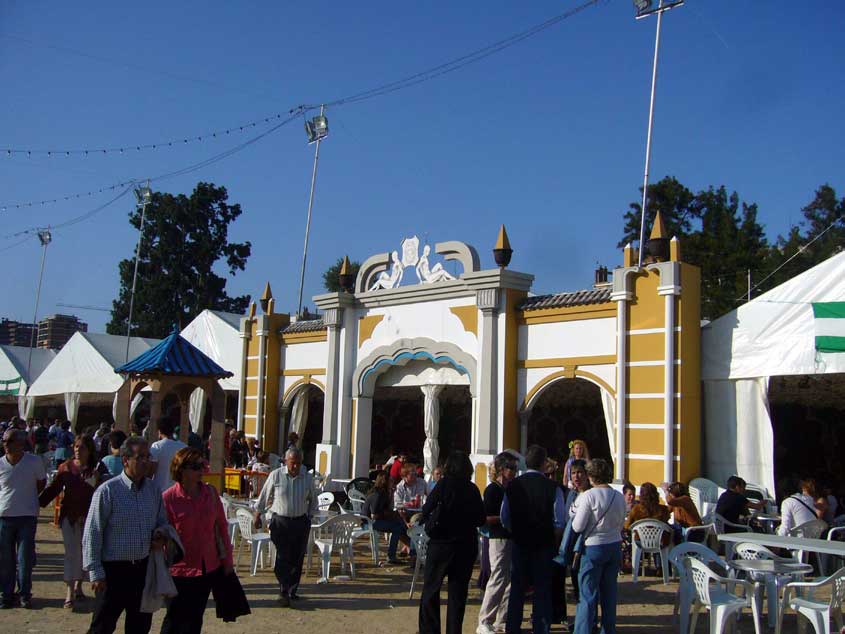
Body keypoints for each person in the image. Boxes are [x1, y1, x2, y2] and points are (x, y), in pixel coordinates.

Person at [82, 436, 169, 634]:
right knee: (102, 626)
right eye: (140, 457)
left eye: (148, 457)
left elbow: (162, 522)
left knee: (139, 626)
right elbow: (93, 533)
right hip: (113, 571)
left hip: (142, 569)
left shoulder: (153, 491)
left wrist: (160, 535)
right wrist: (95, 572)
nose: (146, 461)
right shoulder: (108, 491)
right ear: (125, 460)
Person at [161, 447, 234, 633]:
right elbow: (162, 535)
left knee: (195, 619)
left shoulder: (210, 494)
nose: (201, 470)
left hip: (206, 567)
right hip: (178, 570)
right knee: (174, 620)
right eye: (195, 466)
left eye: (202, 465)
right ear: (181, 469)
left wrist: (227, 563)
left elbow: (222, 528)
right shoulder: (168, 499)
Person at [418, 451, 485, 634]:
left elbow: (427, 508)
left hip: (441, 543)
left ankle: (430, 630)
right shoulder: (472, 489)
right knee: (458, 594)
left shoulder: (443, 484)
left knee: (431, 590)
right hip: (464, 545)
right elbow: (480, 518)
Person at [39, 434, 109, 609]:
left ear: (89, 450)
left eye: (82, 447)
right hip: (69, 516)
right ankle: (69, 591)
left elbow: (104, 491)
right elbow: (54, 488)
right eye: (76, 446)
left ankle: (79, 586)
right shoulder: (66, 468)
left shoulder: (98, 468)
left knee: (86, 552)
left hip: (90, 517)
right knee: (71, 553)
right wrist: (37, 501)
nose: (78, 450)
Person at [503, 444, 566, 634]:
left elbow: (505, 516)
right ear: (543, 463)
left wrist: (515, 531)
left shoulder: (513, 485)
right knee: (542, 591)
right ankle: (541, 628)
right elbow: (559, 522)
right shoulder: (552, 488)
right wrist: (555, 543)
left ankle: (512, 628)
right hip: (543, 544)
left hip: (520, 542)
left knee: (517, 590)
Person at [254, 446, 317, 607]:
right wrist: (257, 515)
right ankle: (283, 589)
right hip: (280, 521)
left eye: (298, 463)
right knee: (283, 555)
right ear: (286, 461)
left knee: (297, 556)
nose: (295, 466)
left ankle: (292, 589)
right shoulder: (276, 475)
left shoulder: (307, 478)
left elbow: (313, 500)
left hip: (300, 521)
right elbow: (264, 496)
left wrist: (308, 517)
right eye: (292, 463)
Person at [571, 458, 626, 634]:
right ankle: (608, 630)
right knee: (609, 594)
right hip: (614, 544)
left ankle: (583, 631)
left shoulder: (588, 496)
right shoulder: (618, 496)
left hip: (594, 546)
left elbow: (577, 526)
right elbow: (621, 522)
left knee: (587, 594)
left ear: (591, 476)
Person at [0, 429, 47, 609]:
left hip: (27, 516)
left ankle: (24, 593)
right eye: (4, 441)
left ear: (20, 443)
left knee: (25, 559)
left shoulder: (34, 461)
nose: (6, 444)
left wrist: (29, 497)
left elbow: (41, 483)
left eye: (9, 441)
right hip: (5, 516)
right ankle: (6, 594)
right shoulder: (1, 464)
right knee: (5, 560)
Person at [477, 452, 517, 634]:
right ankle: (485, 620)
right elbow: (484, 518)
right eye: (512, 468)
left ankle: (502, 620)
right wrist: (503, 519)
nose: (515, 472)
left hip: (510, 537)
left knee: (509, 580)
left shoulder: (511, 489)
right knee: (498, 577)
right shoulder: (492, 489)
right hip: (497, 537)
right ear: (502, 469)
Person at [363, 470, 410, 564]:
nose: (393, 483)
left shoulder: (383, 493)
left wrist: (392, 494)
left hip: (374, 520)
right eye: (391, 481)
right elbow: (374, 515)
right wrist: (389, 514)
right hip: (368, 522)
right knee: (397, 527)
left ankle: (411, 548)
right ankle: (393, 555)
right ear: (385, 482)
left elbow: (389, 508)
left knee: (400, 522)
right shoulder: (377, 494)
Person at [148, 417, 187, 492]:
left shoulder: (157, 446)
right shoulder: (184, 447)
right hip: (178, 492)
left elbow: (151, 471)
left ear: (159, 431)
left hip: (159, 491)